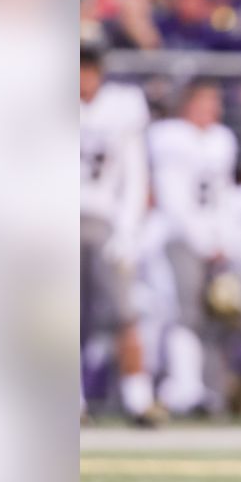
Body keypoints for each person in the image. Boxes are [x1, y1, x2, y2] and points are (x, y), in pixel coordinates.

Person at [144, 79, 239, 416]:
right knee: (183, 313)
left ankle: (208, 390)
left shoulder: (222, 139)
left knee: (217, 315)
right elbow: (173, 199)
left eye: (215, 101)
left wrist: (223, 241)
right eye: (204, 101)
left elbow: (224, 194)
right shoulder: (169, 137)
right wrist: (202, 242)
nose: (212, 109)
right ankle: (182, 388)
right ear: (187, 104)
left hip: (213, 241)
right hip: (178, 237)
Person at [79, 46, 158, 425]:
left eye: (87, 69)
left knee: (126, 312)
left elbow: (135, 174)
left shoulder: (120, 108)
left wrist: (129, 230)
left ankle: (138, 399)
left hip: (103, 220)